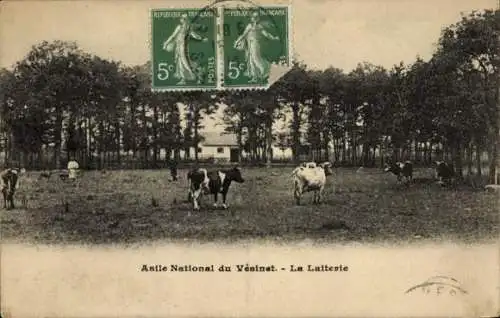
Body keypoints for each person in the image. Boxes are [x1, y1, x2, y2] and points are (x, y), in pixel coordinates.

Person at [234, 11, 280, 83]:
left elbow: (266, 34)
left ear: (258, 18)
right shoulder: (249, 26)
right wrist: (237, 42)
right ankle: (254, 77)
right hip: (249, 44)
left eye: (256, 17)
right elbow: (243, 35)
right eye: (253, 17)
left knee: (256, 59)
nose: (255, 18)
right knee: (251, 61)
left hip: (255, 44)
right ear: (251, 18)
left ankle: (264, 72)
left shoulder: (259, 26)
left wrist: (274, 38)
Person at [163, 13, 208, 85]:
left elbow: (194, 35)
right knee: (180, 63)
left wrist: (202, 39)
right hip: (179, 47)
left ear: (184, 20)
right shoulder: (180, 27)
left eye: (183, 18)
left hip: (183, 48)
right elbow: (173, 36)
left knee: (185, 62)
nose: (181, 19)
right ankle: (184, 79)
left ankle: (199, 75)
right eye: (182, 18)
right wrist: (166, 43)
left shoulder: (187, 28)